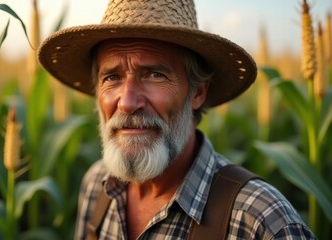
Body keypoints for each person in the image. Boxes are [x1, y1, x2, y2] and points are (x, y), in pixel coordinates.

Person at [38, 0, 317, 239]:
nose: (128, 102)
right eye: (112, 77)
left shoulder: (263, 222)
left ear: (197, 92)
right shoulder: (95, 186)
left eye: (154, 75)